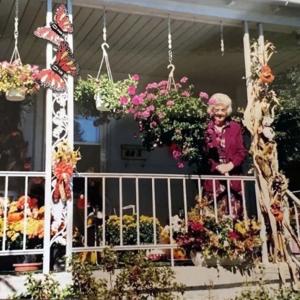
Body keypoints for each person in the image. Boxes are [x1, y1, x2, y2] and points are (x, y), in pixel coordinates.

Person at [203, 93, 248, 218]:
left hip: (233, 178)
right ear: (211, 111)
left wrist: (230, 165)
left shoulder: (235, 127)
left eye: (223, 110)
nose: (219, 113)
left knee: (235, 218)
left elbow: (242, 151)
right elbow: (204, 154)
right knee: (214, 218)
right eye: (216, 109)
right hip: (214, 180)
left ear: (227, 111)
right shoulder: (205, 128)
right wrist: (217, 166)